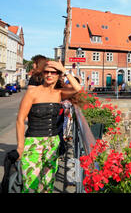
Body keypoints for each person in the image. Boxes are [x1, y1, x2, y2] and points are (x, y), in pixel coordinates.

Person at [16, 60, 81, 193]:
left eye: (53, 72)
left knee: (48, 183)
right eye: (47, 72)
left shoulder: (59, 93)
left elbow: (78, 88)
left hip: (53, 143)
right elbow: (20, 119)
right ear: (43, 74)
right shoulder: (33, 92)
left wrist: (65, 71)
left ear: (58, 75)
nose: (49, 75)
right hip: (33, 142)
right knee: (29, 184)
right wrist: (20, 146)